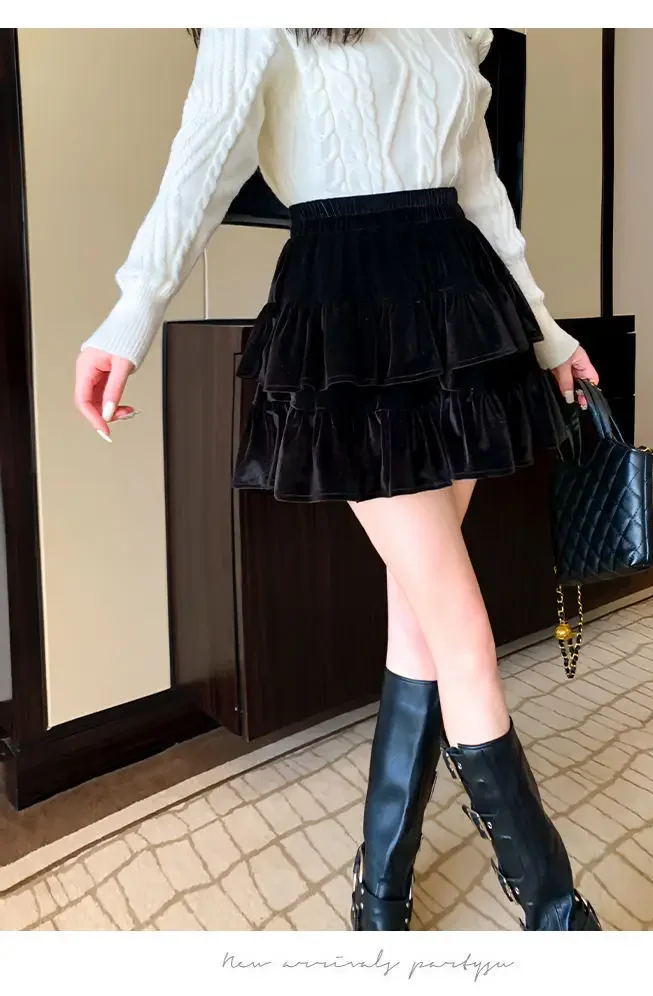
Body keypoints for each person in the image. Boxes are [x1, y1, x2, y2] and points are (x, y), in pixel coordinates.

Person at [75, 28, 601, 931]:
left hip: (460, 308)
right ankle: (557, 915)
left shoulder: (451, 23)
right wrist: (130, 317)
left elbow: (481, 190)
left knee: (423, 622)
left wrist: (550, 334)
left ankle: (381, 885)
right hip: (348, 317)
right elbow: (201, 163)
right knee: (462, 628)